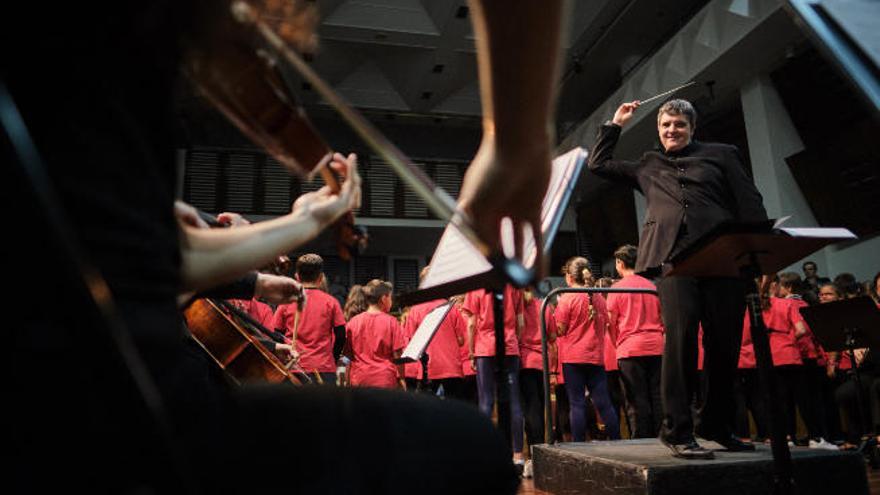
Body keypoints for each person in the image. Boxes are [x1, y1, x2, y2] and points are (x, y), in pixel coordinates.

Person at [7, 2, 523, 492]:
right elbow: (152, 260)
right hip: (127, 423)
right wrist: (306, 220)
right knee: (469, 443)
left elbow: (126, 226)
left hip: (98, 404)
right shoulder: (86, 50)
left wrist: (235, 262)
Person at [589, 98, 767, 459]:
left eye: (679, 125)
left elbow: (749, 201)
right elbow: (598, 164)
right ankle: (677, 430)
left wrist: (757, 256)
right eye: (666, 125)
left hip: (722, 256)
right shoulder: (647, 164)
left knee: (723, 343)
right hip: (671, 260)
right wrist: (616, 124)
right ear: (658, 129)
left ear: (692, 127)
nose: (672, 130)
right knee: (682, 337)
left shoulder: (722, 154)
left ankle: (716, 425)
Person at [555, 257, 619, 441]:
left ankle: (578, 447)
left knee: (577, 404)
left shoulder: (567, 298)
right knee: (604, 403)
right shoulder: (598, 297)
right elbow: (606, 323)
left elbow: (560, 330)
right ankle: (617, 442)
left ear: (570, 277)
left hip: (573, 358)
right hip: (595, 357)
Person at [462, 285, 526, 467]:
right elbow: (520, 322)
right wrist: (513, 342)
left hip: (485, 349)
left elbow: (471, 323)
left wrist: (472, 352)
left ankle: (484, 455)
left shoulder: (475, 287)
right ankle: (518, 455)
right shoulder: (514, 286)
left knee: (486, 402)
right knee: (514, 401)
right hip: (510, 347)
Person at [607, 244, 665, 438]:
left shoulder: (616, 289)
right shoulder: (653, 286)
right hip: (657, 347)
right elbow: (663, 318)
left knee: (635, 400)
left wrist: (618, 345)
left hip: (629, 349)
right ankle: (661, 438)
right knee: (657, 397)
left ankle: (640, 441)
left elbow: (611, 323)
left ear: (620, 263)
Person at [272, 253, 346, 385]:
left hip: (294, 368)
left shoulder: (286, 302)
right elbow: (341, 335)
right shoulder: (331, 302)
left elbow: (276, 334)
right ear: (321, 277)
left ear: (297, 276)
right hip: (324, 369)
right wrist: (333, 358)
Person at [343, 280, 407, 389]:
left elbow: (348, 357)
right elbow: (398, 355)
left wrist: (347, 381)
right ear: (383, 299)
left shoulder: (353, 322)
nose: (391, 301)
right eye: (390, 297)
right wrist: (401, 378)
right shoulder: (391, 322)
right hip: (385, 381)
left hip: (359, 380)